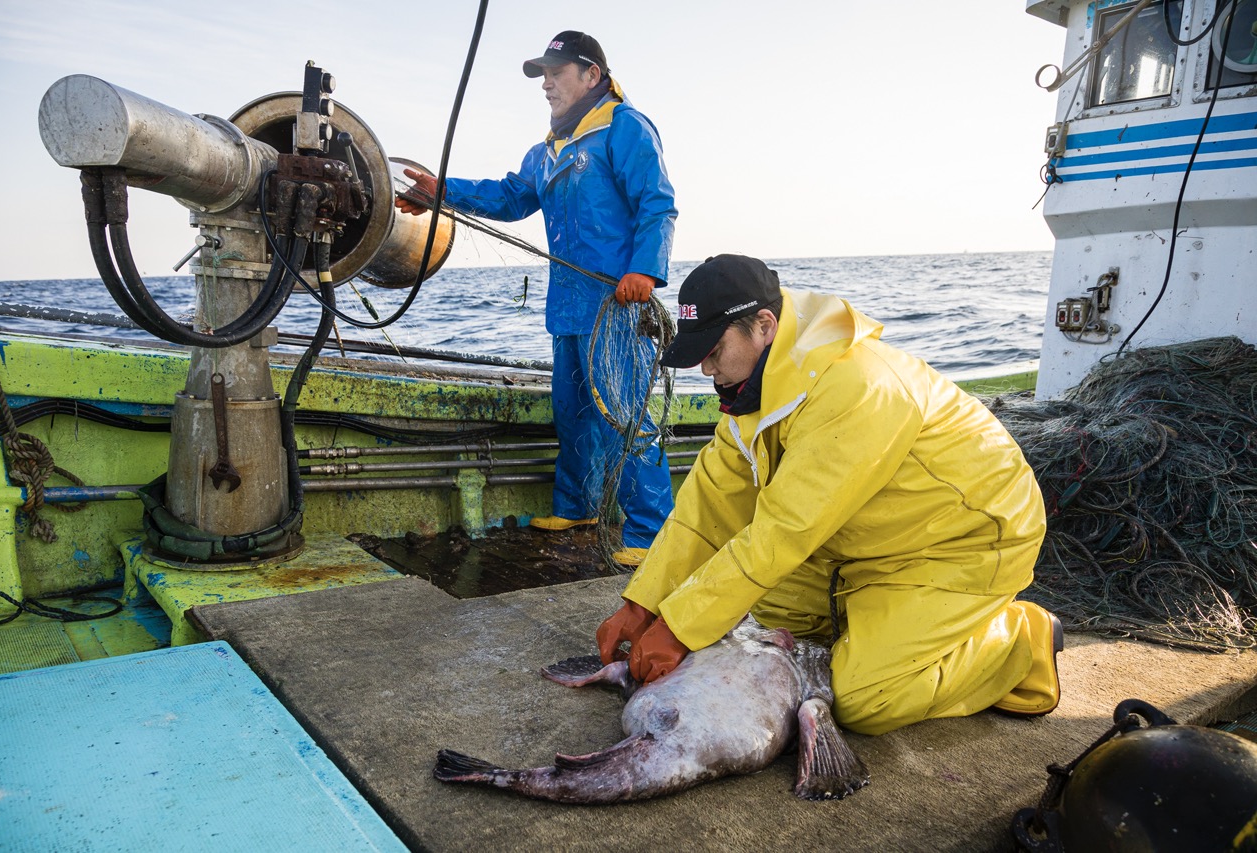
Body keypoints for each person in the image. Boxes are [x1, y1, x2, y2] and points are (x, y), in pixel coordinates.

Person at [595, 254, 1060, 736]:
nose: (707, 370)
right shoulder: (755, 390)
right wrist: (644, 603)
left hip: (961, 542)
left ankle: (1019, 641)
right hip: (865, 540)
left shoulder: (857, 386)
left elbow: (784, 533)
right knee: (771, 616)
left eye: (713, 351)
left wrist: (677, 627)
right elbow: (707, 507)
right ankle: (883, 631)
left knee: (866, 699)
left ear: (764, 326)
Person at [397, 30, 675, 567]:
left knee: (627, 416)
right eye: (541, 75)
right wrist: (442, 193)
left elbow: (657, 205)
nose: (546, 84)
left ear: (592, 74)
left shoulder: (624, 128)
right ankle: (578, 506)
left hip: (618, 305)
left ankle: (651, 529)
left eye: (555, 71)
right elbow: (509, 196)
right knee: (571, 413)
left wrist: (645, 270)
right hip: (568, 306)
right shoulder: (545, 152)